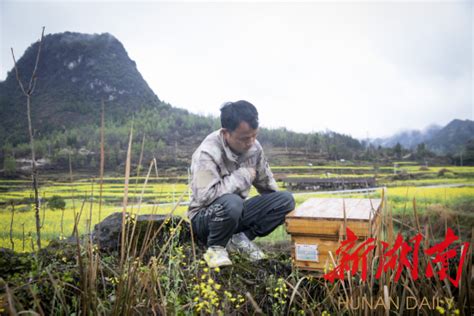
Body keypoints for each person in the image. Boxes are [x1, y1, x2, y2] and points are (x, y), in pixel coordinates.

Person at [187, 100, 295, 267]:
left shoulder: (255, 149)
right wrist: (241, 176)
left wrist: (281, 212)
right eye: (244, 138)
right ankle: (215, 247)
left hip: (235, 212)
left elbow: (266, 184)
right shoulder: (206, 154)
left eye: (255, 135)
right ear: (226, 133)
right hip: (205, 217)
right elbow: (204, 196)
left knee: (286, 200)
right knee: (233, 203)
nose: (251, 142)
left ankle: (238, 238)